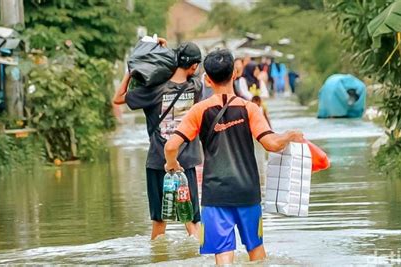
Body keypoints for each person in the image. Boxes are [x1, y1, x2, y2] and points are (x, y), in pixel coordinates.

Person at [164, 49, 304, 265]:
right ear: (235, 73)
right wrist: (289, 136)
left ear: (208, 80)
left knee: (223, 255)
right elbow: (271, 144)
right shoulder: (250, 109)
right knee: (255, 250)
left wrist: (171, 164)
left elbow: (171, 146)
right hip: (247, 192)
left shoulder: (198, 110)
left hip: (215, 194)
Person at [113, 39, 202, 240]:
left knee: (159, 220)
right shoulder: (196, 87)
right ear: (194, 66)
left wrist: (133, 69)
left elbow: (118, 98)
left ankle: (157, 258)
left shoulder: (153, 91)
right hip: (185, 162)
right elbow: (188, 71)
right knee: (192, 221)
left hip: (157, 162)